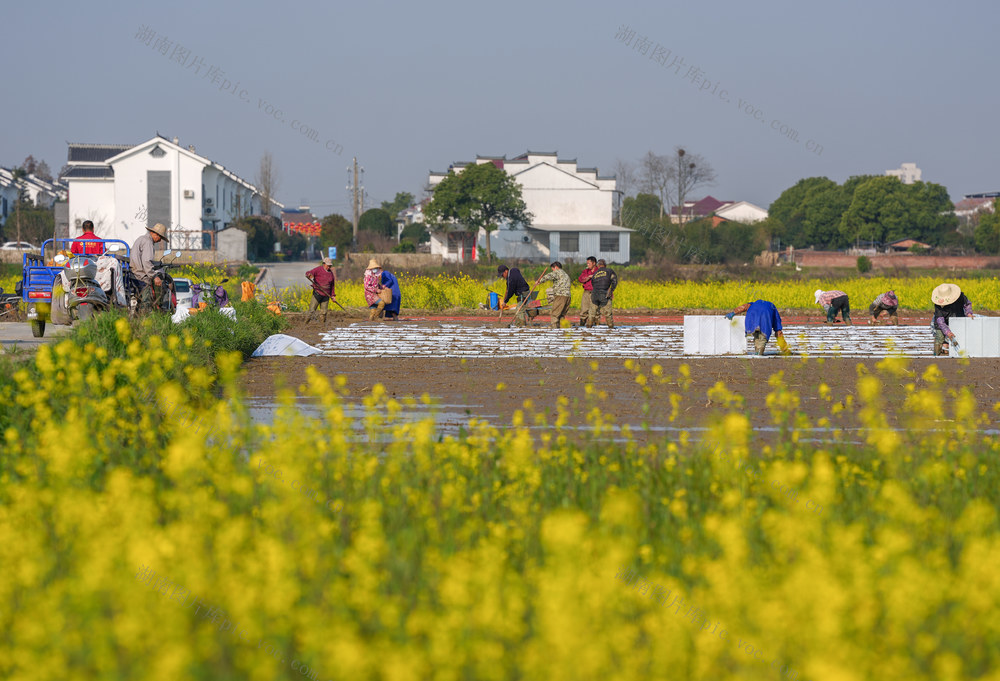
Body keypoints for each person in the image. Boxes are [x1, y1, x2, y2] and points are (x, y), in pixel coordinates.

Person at [726, 300, 790, 355]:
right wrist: (784, 349)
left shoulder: (752, 304)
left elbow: (743, 307)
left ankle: (757, 350)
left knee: (756, 336)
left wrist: (733, 313)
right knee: (762, 338)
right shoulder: (773, 309)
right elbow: (779, 332)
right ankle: (759, 352)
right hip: (765, 318)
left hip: (752, 319)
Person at [130, 222, 168, 312]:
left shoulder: (141, 239)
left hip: (134, 272)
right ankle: (146, 316)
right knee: (146, 301)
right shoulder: (148, 242)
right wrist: (154, 276)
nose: (159, 241)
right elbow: (147, 261)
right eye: (160, 238)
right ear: (156, 235)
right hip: (140, 275)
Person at [931, 283, 973, 356]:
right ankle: (936, 355)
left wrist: (969, 313)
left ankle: (952, 349)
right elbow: (940, 322)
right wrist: (948, 332)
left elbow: (967, 304)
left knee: (959, 336)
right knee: (939, 337)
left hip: (958, 318)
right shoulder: (938, 305)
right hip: (942, 322)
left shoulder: (960, 296)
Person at [537, 261, 571, 328]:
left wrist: (539, 281)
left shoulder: (557, 272)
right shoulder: (565, 274)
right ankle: (563, 329)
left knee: (555, 314)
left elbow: (549, 276)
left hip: (560, 296)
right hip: (567, 297)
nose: (553, 271)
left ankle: (555, 330)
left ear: (555, 267)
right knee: (561, 315)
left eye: (552, 269)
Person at [586, 259, 618, 329]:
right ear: (605, 265)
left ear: (598, 266)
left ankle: (589, 326)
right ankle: (610, 326)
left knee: (592, 312)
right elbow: (614, 280)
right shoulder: (609, 271)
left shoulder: (595, 273)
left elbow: (593, 283)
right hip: (604, 294)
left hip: (594, 294)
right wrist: (611, 289)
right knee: (608, 313)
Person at [305, 257, 336, 323]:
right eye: (328, 266)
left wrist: (333, 295)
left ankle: (322, 326)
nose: (329, 267)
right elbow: (309, 272)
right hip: (317, 293)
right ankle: (305, 323)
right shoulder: (318, 269)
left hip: (326, 295)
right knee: (311, 311)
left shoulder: (331, 274)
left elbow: (332, 285)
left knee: (323, 312)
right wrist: (309, 275)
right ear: (324, 264)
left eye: (330, 266)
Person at [577, 256, 598, 327]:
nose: (587, 265)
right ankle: (582, 323)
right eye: (587, 263)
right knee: (584, 308)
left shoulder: (599, 271)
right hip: (586, 292)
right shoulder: (586, 271)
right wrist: (588, 277)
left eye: (589, 263)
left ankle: (595, 323)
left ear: (594, 263)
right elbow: (580, 279)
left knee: (594, 309)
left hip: (595, 292)